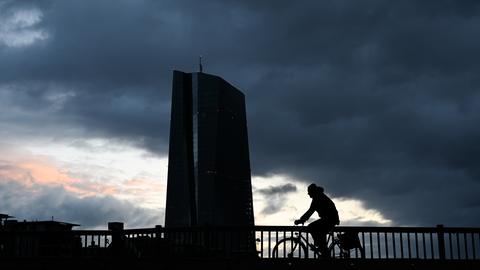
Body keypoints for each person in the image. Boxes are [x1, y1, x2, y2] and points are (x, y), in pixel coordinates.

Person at [294, 183, 340, 258]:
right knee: (320, 233)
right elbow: (310, 211)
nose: (308, 194)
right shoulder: (319, 196)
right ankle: (323, 250)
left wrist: (300, 220)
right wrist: (302, 220)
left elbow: (310, 211)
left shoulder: (317, 198)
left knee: (311, 227)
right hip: (330, 219)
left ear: (313, 191)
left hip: (329, 219)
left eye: (309, 192)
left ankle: (321, 247)